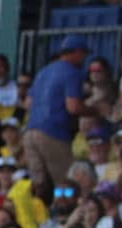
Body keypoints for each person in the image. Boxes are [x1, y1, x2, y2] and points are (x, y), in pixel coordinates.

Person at [23, 35, 97, 188]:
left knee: (40, 185)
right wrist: (96, 111)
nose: (84, 59)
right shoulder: (72, 72)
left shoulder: (43, 71)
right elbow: (73, 106)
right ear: (76, 52)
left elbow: (28, 103)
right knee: (66, 184)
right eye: (83, 54)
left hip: (30, 131)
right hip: (53, 132)